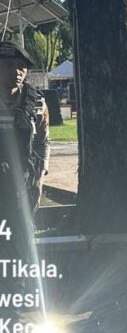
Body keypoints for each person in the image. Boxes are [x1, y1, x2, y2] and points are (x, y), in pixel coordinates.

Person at [0, 42, 50, 325]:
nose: (16, 72)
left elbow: (43, 143)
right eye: (7, 66)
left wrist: (41, 176)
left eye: (21, 67)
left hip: (21, 191)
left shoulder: (37, 103)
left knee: (19, 251)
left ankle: (12, 313)